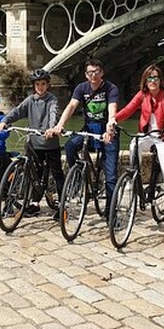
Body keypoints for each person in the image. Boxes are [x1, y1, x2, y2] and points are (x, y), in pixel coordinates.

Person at [110, 65, 164, 235]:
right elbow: (129, 109)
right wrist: (114, 119)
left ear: (160, 79)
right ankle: (134, 177)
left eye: (156, 77)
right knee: (134, 145)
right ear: (145, 80)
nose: (153, 81)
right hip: (148, 135)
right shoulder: (143, 95)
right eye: (149, 78)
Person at [51, 59, 119, 215]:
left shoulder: (110, 88)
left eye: (96, 72)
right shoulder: (82, 88)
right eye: (90, 72)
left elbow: (112, 108)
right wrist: (60, 125)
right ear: (86, 75)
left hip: (107, 132)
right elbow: (72, 106)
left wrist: (110, 125)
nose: (93, 75)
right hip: (88, 129)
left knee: (111, 176)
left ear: (102, 72)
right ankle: (78, 178)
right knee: (70, 146)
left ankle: (111, 211)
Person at [0, 69, 65, 218]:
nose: (40, 87)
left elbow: (53, 114)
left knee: (57, 173)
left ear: (47, 85)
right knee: (36, 175)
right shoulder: (30, 100)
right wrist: (5, 120)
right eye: (37, 84)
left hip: (50, 143)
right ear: (34, 86)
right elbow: (17, 111)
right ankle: (35, 204)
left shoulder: (52, 100)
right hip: (35, 144)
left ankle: (62, 204)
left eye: (43, 84)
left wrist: (52, 128)